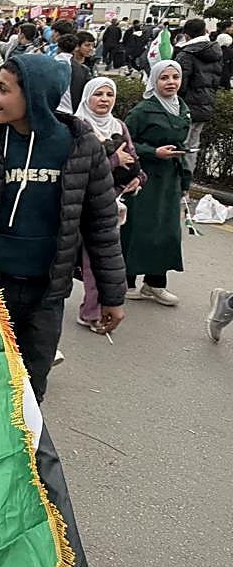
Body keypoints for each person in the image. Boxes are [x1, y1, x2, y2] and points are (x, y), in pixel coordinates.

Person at [0, 54, 125, 402]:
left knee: (29, 392)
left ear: (34, 95)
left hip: (45, 297)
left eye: (3, 90)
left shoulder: (81, 147)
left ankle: (23, 454)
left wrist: (113, 295)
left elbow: (102, 225)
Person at [72, 78, 144, 332]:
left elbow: (133, 157)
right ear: (86, 97)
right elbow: (78, 164)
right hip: (82, 202)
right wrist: (113, 159)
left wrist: (137, 178)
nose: (104, 99)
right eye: (98, 94)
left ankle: (92, 311)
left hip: (110, 203)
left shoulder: (118, 125)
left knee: (98, 261)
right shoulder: (79, 125)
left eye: (109, 94)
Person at [121, 60, 190, 306]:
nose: (171, 82)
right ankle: (126, 281)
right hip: (144, 177)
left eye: (175, 77)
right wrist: (153, 152)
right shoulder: (142, 110)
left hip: (170, 179)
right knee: (137, 229)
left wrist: (185, 180)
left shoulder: (182, 108)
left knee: (166, 231)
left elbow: (183, 145)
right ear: (154, 81)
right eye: (164, 78)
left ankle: (155, 283)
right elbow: (125, 142)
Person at [173, 18, 223, 173]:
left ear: (186, 36)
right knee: (192, 146)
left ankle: (177, 183)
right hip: (205, 105)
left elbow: (178, 85)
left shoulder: (187, 54)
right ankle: (186, 184)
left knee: (178, 146)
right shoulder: (215, 52)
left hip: (185, 107)